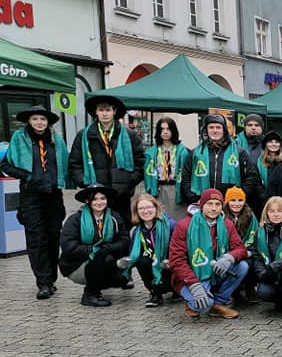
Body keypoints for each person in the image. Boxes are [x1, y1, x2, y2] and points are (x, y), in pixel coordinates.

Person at [0, 104, 69, 299]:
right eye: (35, 119)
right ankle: (43, 282)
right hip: (31, 196)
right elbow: (5, 165)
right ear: (29, 121)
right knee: (36, 239)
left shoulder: (57, 141)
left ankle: (52, 279)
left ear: (48, 122)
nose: (39, 122)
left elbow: (66, 164)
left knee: (53, 237)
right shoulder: (19, 139)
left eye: (43, 119)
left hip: (54, 195)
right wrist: (28, 176)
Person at [168, 188, 249, 319]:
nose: (214, 208)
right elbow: (176, 261)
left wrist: (229, 258)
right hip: (192, 275)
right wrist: (194, 285)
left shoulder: (226, 224)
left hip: (215, 270)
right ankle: (195, 301)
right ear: (201, 205)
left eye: (217, 204)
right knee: (203, 305)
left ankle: (218, 303)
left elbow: (240, 248)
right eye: (209, 204)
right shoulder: (184, 225)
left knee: (242, 267)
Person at [69, 96, 145, 228]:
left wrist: (129, 181)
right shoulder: (84, 136)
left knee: (122, 231)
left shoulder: (129, 135)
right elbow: (74, 164)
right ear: (96, 112)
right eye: (101, 110)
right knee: (97, 231)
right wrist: (86, 183)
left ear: (114, 111)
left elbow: (140, 162)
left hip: (122, 195)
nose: (104, 113)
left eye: (108, 110)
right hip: (96, 196)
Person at [59, 184, 131, 307]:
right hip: (77, 265)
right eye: (95, 199)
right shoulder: (76, 219)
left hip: (107, 260)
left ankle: (106, 282)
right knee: (103, 258)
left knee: (117, 276)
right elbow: (69, 246)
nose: (99, 202)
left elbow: (124, 240)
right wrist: (95, 250)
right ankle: (90, 294)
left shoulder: (114, 217)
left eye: (102, 198)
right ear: (88, 200)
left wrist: (108, 248)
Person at [181, 114, 259, 207]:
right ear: (206, 130)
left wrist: (237, 198)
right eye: (211, 127)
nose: (215, 131)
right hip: (202, 204)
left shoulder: (239, 152)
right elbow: (186, 177)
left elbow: (251, 176)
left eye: (218, 127)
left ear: (224, 130)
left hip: (230, 205)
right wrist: (193, 198)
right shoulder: (195, 153)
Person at [118, 193, 178, 307]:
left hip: (170, 265)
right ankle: (155, 292)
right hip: (154, 263)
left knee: (168, 268)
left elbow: (181, 249)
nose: (145, 211)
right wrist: (125, 263)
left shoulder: (171, 225)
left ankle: (176, 288)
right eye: (141, 208)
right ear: (136, 211)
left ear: (156, 208)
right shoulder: (137, 231)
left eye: (149, 207)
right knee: (142, 261)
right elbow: (133, 254)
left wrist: (171, 261)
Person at [143, 118, 191, 221]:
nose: (165, 132)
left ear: (173, 131)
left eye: (168, 129)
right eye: (162, 129)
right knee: (159, 219)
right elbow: (147, 173)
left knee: (177, 220)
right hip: (158, 189)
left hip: (176, 189)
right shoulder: (151, 152)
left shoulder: (183, 151)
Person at [223, 186, 259, 304]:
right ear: (227, 202)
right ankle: (234, 291)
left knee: (251, 261)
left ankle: (250, 288)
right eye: (233, 200)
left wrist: (245, 251)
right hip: (228, 251)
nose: (237, 203)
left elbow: (254, 236)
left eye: (240, 200)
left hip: (246, 249)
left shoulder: (250, 216)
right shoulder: (222, 217)